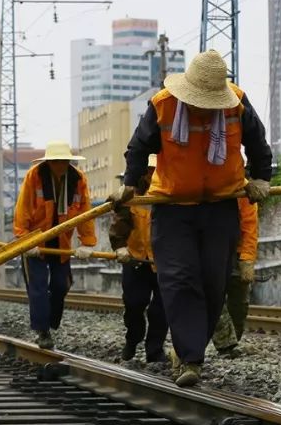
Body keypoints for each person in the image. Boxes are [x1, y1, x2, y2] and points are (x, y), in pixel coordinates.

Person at [117, 49, 273, 387]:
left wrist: (261, 179)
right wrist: (130, 184)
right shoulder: (163, 104)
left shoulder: (237, 103)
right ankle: (190, 359)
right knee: (178, 279)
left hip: (220, 205)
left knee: (213, 283)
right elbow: (138, 148)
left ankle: (188, 350)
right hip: (174, 207)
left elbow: (259, 145)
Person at [13, 140, 97, 350]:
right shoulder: (35, 176)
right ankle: (43, 332)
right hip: (35, 240)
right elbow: (22, 209)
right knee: (38, 287)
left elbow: (86, 212)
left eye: (64, 161)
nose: (60, 165)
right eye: (56, 161)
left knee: (61, 284)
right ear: (49, 162)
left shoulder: (78, 179)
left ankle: (51, 322)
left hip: (61, 240)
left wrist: (87, 242)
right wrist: (25, 240)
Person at [108, 155, 167, 363]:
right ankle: (132, 340)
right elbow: (119, 221)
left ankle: (155, 350)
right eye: (149, 170)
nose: (152, 174)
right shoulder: (130, 195)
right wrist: (120, 246)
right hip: (136, 261)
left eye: (155, 170)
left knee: (162, 309)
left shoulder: (172, 194)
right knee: (134, 304)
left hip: (164, 262)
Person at [210, 195, 259, 357]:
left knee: (240, 300)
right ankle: (226, 344)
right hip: (212, 248)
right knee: (213, 296)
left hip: (235, 252)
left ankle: (233, 341)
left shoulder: (244, 194)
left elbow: (249, 225)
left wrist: (247, 259)